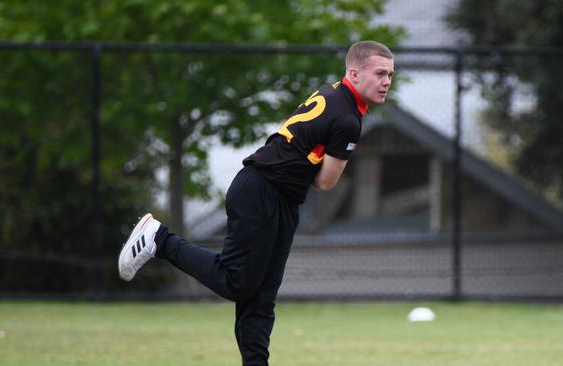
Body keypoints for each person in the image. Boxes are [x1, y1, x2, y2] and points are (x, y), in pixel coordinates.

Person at [118, 40, 394, 366]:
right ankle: (158, 239)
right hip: (262, 192)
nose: (387, 82)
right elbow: (325, 182)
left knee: (260, 299)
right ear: (354, 73)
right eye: (379, 73)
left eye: (390, 74)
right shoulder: (348, 119)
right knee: (235, 282)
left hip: (280, 199)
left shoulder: (333, 93)